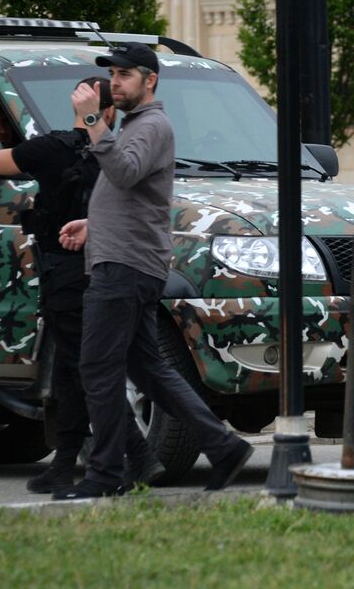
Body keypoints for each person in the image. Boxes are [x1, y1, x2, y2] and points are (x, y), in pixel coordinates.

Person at [55, 42, 253, 499]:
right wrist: (94, 223)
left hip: (124, 270)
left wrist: (89, 121)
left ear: (151, 80)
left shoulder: (151, 125)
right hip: (126, 261)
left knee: (96, 369)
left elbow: (123, 173)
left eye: (125, 75)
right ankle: (222, 447)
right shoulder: (135, 126)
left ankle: (105, 474)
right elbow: (134, 193)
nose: (115, 83)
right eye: (114, 74)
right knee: (150, 371)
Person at [0, 78, 165, 494]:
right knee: (72, 372)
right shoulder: (120, 157)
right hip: (110, 272)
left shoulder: (50, 149)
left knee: (90, 374)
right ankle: (66, 460)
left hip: (66, 277)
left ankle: (140, 457)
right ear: (110, 112)